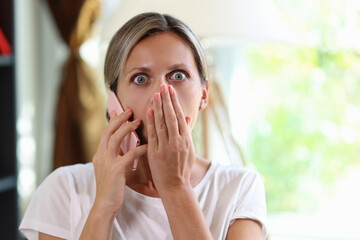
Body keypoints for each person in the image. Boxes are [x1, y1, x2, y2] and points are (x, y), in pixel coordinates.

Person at [19, 12, 267, 240]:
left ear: (204, 94)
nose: (161, 92)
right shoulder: (66, 188)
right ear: (113, 100)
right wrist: (103, 206)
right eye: (140, 78)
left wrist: (175, 187)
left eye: (178, 75)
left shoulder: (240, 188)